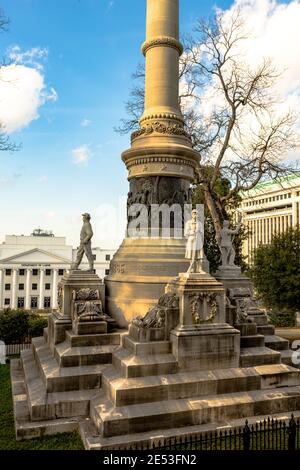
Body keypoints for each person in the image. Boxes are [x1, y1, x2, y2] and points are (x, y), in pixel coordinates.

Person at [185, 209, 205, 274]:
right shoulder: (188, 223)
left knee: (199, 255)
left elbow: (202, 232)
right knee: (191, 255)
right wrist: (192, 232)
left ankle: (199, 269)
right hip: (191, 240)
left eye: (196, 213)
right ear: (192, 214)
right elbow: (186, 233)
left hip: (198, 240)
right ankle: (192, 268)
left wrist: (202, 240)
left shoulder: (200, 223)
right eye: (194, 213)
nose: (195, 215)